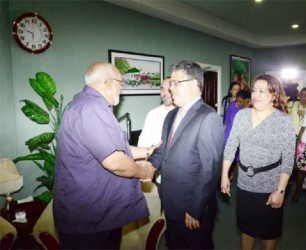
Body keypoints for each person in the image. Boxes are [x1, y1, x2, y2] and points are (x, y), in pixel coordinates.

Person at [53, 62, 157, 249]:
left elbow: (114, 147)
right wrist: (144, 172)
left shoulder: (82, 104)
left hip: (94, 216)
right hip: (90, 220)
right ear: (108, 82)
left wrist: (149, 150)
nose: (122, 88)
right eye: (121, 82)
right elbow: (115, 161)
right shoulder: (93, 109)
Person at [148, 60, 224, 249]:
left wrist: (195, 209)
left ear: (192, 84)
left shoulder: (208, 117)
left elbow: (210, 171)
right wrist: (149, 165)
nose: (170, 88)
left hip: (192, 207)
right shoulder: (171, 115)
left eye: (175, 83)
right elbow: (163, 150)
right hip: (171, 201)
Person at [221, 74, 296, 250]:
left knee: (268, 232)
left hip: (270, 184)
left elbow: (288, 160)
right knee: (246, 228)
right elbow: (231, 146)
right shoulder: (242, 116)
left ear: (273, 95)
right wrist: (225, 174)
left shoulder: (283, 121)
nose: (256, 94)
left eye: (262, 91)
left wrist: (281, 190)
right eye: (255, 90)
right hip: (245, 183)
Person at [138, 77, 175, 148]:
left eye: (169, 89)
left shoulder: (184, 113)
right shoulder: (153, 115)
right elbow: (143, 145)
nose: (164, 93)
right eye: (162, 89)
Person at [223, 89, 251, 179]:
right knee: (229, 158)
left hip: (240, 138)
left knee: (240, 159)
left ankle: (241, 178)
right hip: (229, 135)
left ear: (246, 100)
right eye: (236, 100)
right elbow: (229, 121)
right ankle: (227, 176)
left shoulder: (246, 110)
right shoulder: (233, 106)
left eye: (240, 101)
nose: (237, 103)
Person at [288, 87, 306, 188]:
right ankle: (287, 180)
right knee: (289, 159)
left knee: (305, 160)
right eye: (301, 94)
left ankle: (305, 185)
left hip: (305, 138)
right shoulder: (292, 104)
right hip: (291, 136)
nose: (303, 97)